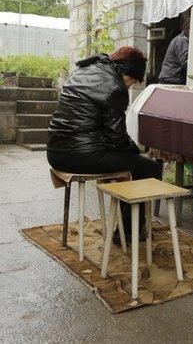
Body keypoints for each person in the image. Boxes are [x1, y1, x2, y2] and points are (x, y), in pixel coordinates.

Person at [47, 46, 160, 244]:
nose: (130, 86)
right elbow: (116, 137)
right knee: (147, 167)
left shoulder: (83, 70)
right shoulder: (115, 87)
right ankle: (128, 233)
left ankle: (128, 227)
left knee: (132, 162)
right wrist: (136, 153)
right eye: (132, 81)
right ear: (127, 73)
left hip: (55, 152)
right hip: (81, 156)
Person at [158, 11, 190, 85]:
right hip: (171, 81)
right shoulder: (181, 40)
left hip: (171, 79)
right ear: (188, 29)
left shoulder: (182, 39)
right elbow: (186, 62)